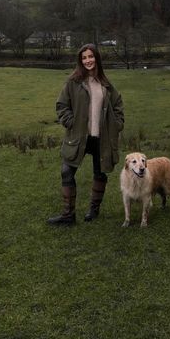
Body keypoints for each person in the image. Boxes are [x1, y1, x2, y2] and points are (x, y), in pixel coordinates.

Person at [47, 43, 124, 225]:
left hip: (101, 139)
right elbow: (62, 106)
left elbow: (118, 106)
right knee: (66, 172)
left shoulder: (106, 84)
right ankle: (68, 216)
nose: (88, 60)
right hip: (79, 137)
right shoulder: (73, 82)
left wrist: (117, 125)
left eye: (91, 56)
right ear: (80, 61)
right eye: (84, 58)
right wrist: (70, 122)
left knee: (100, 173)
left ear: (96, 58)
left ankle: (93, 211)